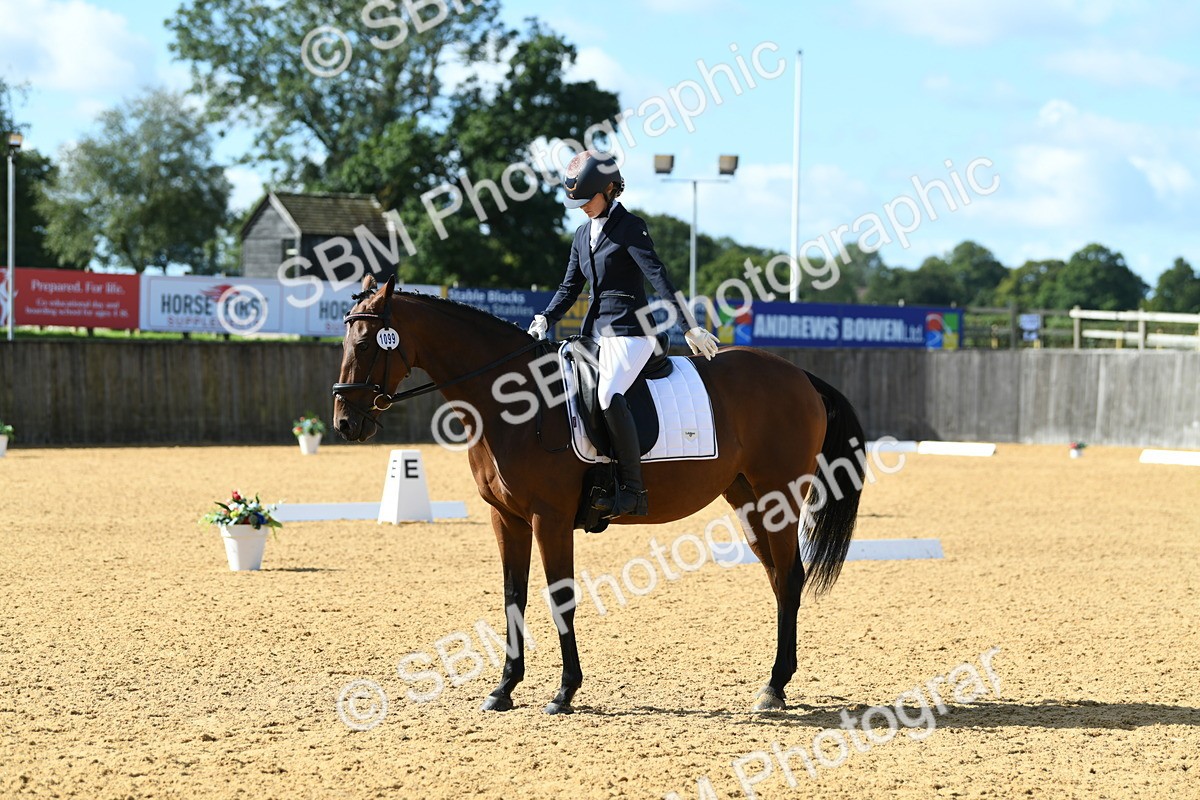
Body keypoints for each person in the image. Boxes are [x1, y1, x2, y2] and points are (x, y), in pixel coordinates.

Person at [528, 150, 720, 518]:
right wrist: (545, 316)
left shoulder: (631, 227)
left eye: (589, 199)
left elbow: (658, 276)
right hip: (596, 335)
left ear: (611, 189)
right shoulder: (583, 234)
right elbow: (570, 287)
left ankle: (634, 489)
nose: (583, 207)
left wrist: (688, 325)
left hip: (633, 332)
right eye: (578, 202)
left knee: (608, 393)